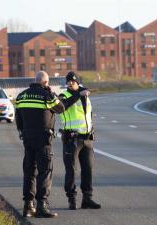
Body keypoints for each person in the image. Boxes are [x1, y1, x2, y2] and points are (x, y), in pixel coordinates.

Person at [15, 71, 65, 218]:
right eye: (48, 83)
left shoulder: (21, 96)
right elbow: (61, 108)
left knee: (29, 171)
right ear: (45, 83)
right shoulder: (47, 96)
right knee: (44, 172)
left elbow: (18, 117)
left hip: (27, 138)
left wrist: (23, 132)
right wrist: (52, 93)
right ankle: (42, 206)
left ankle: (28, 206)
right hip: (43, 139)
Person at [58, 71, 101, 210]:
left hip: (87, 138)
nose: (70, 83)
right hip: (72, 139)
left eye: (73, 81)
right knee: (71, 171)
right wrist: (79, 94)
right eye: (68, 81)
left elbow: (88, 114)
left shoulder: (84, 95)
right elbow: (62, 107)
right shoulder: (64, 95)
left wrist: (92, 129)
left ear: (78, 82)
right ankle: (72, 199)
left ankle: (87, 199)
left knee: (88, 170)